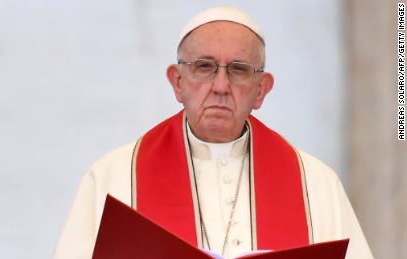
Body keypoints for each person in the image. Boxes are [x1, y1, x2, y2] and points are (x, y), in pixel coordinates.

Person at [53, 6, 373, 259]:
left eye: (238, 70)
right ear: (178, 82)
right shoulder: (113, 178)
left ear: (261, 90)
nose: (220, 87)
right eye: (204, 67)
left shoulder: (317, 185)